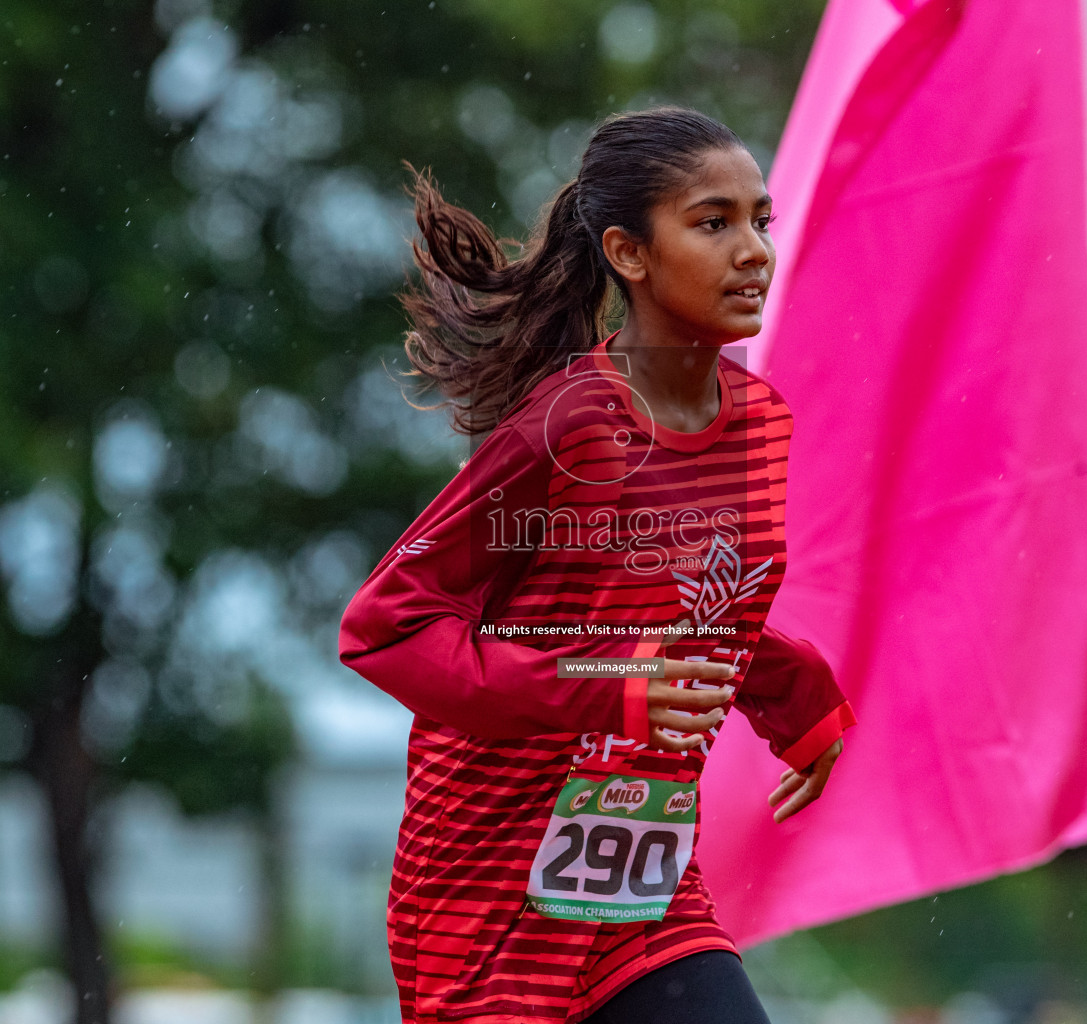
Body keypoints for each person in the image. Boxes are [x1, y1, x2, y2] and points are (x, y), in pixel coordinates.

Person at [339, 107, 856, 1024]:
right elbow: (387, 628)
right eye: (713, 222)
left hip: (641, 889)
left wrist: (794, 689)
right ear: (628, 253)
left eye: (760, 220)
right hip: (488, 889)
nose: (753, 251)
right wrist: (612, 687)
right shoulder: (569, 425)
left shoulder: (762, 422)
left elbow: (690, 602)